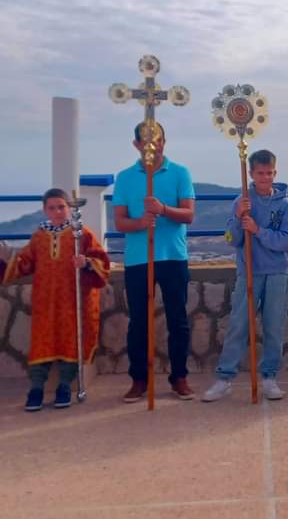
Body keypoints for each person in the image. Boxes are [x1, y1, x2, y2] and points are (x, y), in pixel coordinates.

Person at [0, 188, 111, 411]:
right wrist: (8, 260)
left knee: (71, 339)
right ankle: (36, 388)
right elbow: (25, 264)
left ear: (69, 208)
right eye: (52, 208)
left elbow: (101, 262)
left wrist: (87, 263)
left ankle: (65, 386)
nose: (57, 212)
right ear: (45, 210)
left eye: (61, 207)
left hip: (73, 299)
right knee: (42, 341)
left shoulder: (82, 234)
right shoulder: (39, 237)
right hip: (46, 301)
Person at [203, 150, 288, 402]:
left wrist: (258, 231)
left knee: (274, 326)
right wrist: (238, 218)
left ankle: (269, 377)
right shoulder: (242, 201)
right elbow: (231, 239)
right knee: (239, 324)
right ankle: (225, 378)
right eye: (260, 173)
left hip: (276, 271)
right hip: (249, 271)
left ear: (275, 173)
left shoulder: (285, 205)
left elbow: (286, 240)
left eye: (269, 173)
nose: (265, 178)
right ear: (251, 174)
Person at [113, 122, 196, 402]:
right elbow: (120, 222)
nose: (153, 145)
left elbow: (188, 215)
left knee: (178, 320)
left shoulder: (180, 173)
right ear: (136, 145)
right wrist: (140, 223)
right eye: (147, 141)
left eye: (158, 139)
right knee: (139, 322)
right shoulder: (125, 178)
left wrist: (163, 209)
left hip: (173, 256)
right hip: (139, 259)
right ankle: (139, 380)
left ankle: (179, 378)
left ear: (164, 141)